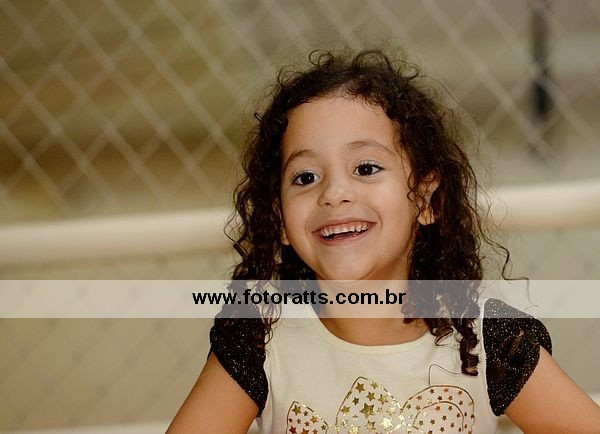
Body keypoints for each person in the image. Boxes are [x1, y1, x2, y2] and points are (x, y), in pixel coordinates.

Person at [168, 49, 600, 433]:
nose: (334, 192)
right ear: (280, 219)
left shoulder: (486, 338)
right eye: (305, 177)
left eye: (366, 168)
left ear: (426, 200)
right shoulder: (262, 336)